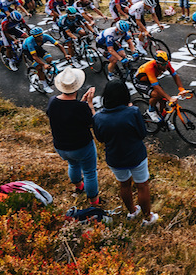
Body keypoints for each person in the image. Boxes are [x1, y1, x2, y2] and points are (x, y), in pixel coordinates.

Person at [93, 79, 158, 226]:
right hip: (136, 155)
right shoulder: (132, 112)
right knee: (142, 185)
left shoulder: (98, 117)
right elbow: (142, 133)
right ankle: (148, 218)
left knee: (124, 185)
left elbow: (100, 138)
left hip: (115, 158)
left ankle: (132, 211)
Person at [46, 66, 100, 206]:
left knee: (73, 164)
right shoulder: (81, 107)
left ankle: (78, 186)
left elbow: (65, 111)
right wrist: (89, 105)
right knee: (89, 173)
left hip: (61, 146)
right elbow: (94, 123)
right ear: (77, 86)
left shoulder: (52, 102)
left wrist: (82, 103)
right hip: (82, 146)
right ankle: (94, 202)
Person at [134, 51, 187, 123]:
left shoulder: (166, 63)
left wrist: (181, 89)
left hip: (151, 80)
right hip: (140, 82)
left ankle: (163, 119)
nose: (165, 66)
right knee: (156, 94)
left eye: (166, 63)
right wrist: (170, 98)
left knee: (163, 100)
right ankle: (151, 111)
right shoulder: (149, 67)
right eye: (163, 65)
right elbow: (156, 86)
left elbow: (175, 76)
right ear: (157, 63)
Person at [23, 26, 71, 94]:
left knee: (49, 59)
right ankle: (45, 86)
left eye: (41, 35)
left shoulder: (46, 36)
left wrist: (66, 54)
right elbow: (34, 56)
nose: (41, 37)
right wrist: (44, 64)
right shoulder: (30, 42)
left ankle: (46, 72)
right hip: (28, 52)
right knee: (39, 67)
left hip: (38, 48)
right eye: (39, 36)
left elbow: (59, 45)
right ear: (34, 37)